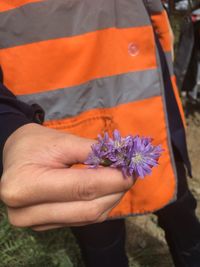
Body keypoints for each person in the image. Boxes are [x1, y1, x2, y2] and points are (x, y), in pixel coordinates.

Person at [0, 1, 200, 266]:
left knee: (179, 207)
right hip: (66, 127)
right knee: (100, 234)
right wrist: (9, 127)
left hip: (148, 99)